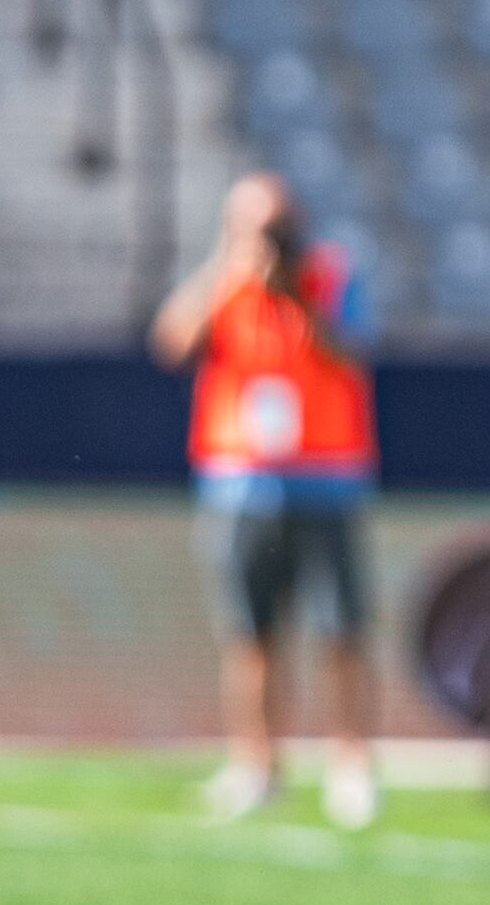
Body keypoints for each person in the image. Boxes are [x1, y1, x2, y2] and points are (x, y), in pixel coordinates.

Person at [151, 170, 381, 829]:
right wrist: (228, 268)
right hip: (240, 476)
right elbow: (171, 341)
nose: (265, 241)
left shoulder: (331, 275)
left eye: (274, 227)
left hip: (327, 474)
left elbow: (351, 354)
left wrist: (299, 298)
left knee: (343, 628)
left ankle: (351, 763)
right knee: (251, 634)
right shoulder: (227, 279)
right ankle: (257, 765)